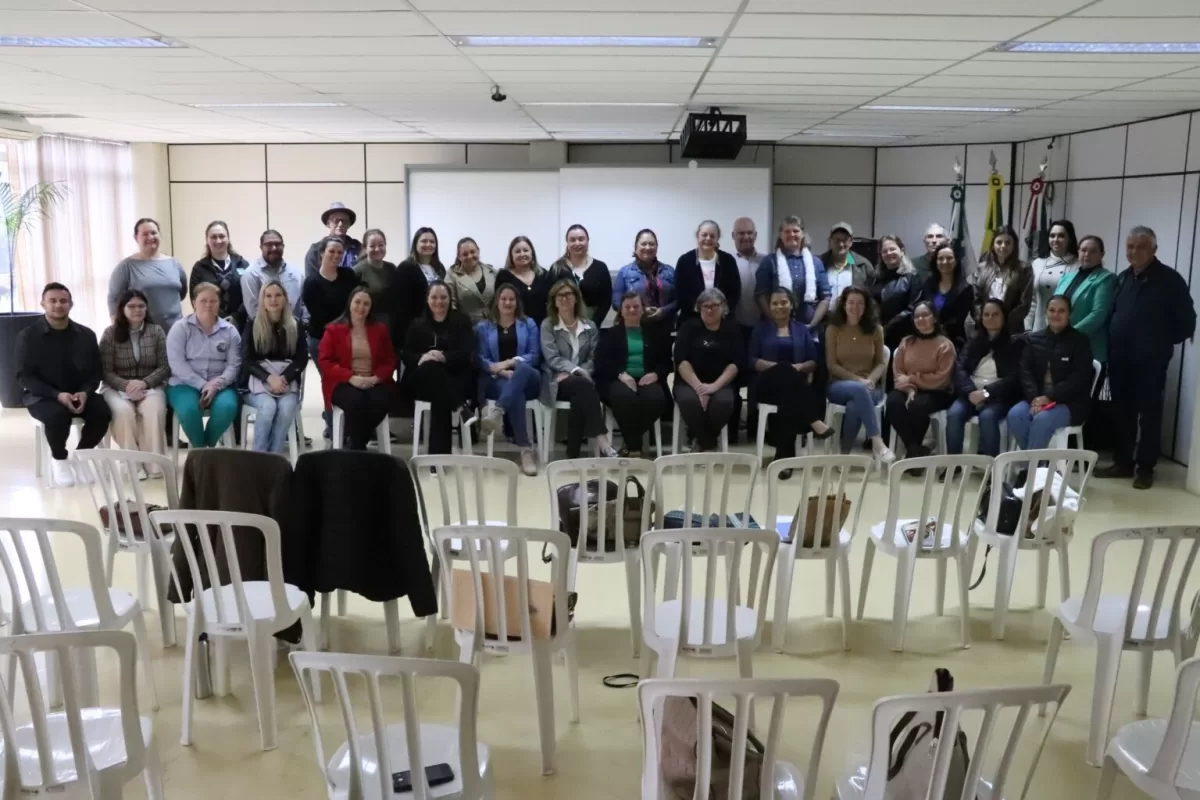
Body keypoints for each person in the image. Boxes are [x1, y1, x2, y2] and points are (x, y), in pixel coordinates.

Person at [1098, 226, 1197, 489]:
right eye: (1130, 246)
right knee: (1122, 412)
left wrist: (1159, 343)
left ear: (1154, 249)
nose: (1134, 252)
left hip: (1150, 361)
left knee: (1149, 415)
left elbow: (1187, 321)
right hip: (1120, 359)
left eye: (1141, 246)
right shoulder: (1123, 278)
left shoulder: (1170, 280)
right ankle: (1123, 463)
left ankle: (1145, 469)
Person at [16, 283, 111, 487]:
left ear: (71, 304)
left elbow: (96, 372)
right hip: (43, 396)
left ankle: (82, 455)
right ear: (43, 304)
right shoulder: (28, 336)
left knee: (103, 412)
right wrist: (57, 395)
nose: (58, 305)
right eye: (53, 301)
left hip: (79, 392)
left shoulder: (86, 334)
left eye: (63, 301)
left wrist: (85, 392)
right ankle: (59, 459)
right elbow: (24, 377)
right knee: (57, 416)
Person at [749, 288, 834, 469]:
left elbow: (813, 360)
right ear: (769, 306)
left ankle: (783, 460)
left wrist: (799, 368)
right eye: (775, 303)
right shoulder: (760, 329)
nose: (779, 306)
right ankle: (814, 420)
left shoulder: (801, 329)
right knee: (785, 370)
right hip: (766, 385)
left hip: (794, 388)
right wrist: (783, 368)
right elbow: (753, 360)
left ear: (791, 304)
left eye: (784, 302)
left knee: (788, 399)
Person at [1007, 295, 1094, 453]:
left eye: (1061, 311)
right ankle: (1038, 464)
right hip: (1036, 398)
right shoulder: (1034, 339)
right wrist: (1034, 398)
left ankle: (1030, 466)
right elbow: (1025, 371)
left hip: (1069, 403)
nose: (1056, 315)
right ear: (1046, 312)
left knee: (1042, 420)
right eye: (1052, 310)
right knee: (1015, 415)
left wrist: (1049, 397)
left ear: (1069, 314)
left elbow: (1078, 378)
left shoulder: (1080, 341)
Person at [542, 279, 615, 458]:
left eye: (569, 294)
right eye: (560, 295)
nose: (564, 298)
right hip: (558, 381)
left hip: (583, 381)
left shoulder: (590, 326)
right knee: (582, 385)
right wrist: (576, 371)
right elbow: (552, 358)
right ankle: (602, 440)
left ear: (576, 298)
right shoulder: (548, 325)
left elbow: (593, 357)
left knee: (580, 392)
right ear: (554, 301)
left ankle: (572, 453)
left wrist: (581, 372)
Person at [166, 282, 242, 449]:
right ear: (194, 303)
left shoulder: (230, 331)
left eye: (213, 301)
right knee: (188, 411)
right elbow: (177, 363)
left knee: (227, 407)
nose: (208, 305)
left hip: (220, 385)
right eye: (203, 300)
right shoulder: (180, 328)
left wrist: (217, 384)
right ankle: (201, 451)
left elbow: (234, 365)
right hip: (183, 384)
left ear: (219, 303)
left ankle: (208, 446)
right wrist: (202, 385)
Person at [475, 284, 541, 475]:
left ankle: (497, 412)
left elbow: (534, 355)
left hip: (529, 379)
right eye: (503, 298)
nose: (508, 302)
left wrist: (509, 363)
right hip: (497, 380)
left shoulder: (528, 324)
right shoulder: (483, 327)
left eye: (512, 299)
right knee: (515, 393)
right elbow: (480, 357)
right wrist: (502, 372)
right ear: (497, 301)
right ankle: (525, 450)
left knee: (523, 368)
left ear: (517, 302)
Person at [319, 286, 396, 451]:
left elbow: (390, 360)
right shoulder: (333, 330)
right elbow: (325, 362)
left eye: (366, 304)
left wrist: (375, 378)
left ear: (371, 308)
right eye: (357, 302)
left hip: (374, 381)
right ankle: (358, 447)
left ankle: (354, 445)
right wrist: (351, 378)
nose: (361, 307)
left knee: (381, 401)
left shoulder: (380, 330)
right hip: (344, 382)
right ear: (350, 303)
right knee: (356, 401)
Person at [100, 289, 169, 468]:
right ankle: (132, 465)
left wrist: (144, 383)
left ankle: (154, 464)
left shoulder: (156, 331)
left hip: (150, 385)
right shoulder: (110, 333)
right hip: (115, 387)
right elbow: (105, 371)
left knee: (155, 410)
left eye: (141, 306)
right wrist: (127, 386)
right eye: (131, 306)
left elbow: (164, 366)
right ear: (122, 309)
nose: (137, 310)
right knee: (123, 411)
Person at [404, 281, 475, 455]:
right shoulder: (417, 324)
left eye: (443, 297)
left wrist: (444, 357)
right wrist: (423, 357)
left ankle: (436, 460)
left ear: (450, 299)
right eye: (434, 297)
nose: (439, 301)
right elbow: (406, 355)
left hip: (453, 378)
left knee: (440, 394)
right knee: (431, 367)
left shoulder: (462, 321)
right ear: (427, 299)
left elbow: (466, 352)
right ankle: (460, 407)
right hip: (421, 380)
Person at [595, 291, 669, 457]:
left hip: (648, 379)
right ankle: (635, 446)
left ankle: (630, 444)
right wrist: (621, 374)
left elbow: (666, 363)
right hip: (617, 380)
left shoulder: (656, 333)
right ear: (621, 311)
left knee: (656, 399)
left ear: (643, 309)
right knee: (624, 397)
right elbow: (602, 363)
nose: (632, 310)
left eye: (636, 306)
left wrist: (655, 374)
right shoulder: (610, 334)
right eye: (627, 307)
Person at [945, 299, 1021, 456]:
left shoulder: (1015, 343)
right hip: (971, 392)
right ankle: (952, 463)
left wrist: (987, 392)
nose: (990, 318)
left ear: (1004, 317)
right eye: (986, 314)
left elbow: (1014, 377)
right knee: (954, 414)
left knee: (987, 417)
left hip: (998, 396)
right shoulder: (974, 341)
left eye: (995, 314)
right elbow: (959, 368)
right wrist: (970, 391)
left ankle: (990, 465)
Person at [302, 236, 359, 441]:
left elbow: (355, 304)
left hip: (348, 339)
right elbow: (319, 317)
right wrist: (343, 322)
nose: (336, 255)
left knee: (347, 381)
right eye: (331, 251)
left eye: (339, 252)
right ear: (321, 253)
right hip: (321, 341)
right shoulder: (312, 283)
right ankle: (332, 425)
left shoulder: (349, 276)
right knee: (330, 381)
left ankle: (349, 423)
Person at [825, 287, 892, 461]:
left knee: (855, 403)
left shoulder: (876, 330)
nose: (855, 307)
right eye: (851, 302)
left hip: (870, 386)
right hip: (839, 385)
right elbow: (832, 365)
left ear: (866, 306)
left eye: (860, 303)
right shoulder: (833, 329)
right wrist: (858, 380)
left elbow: (880, 362)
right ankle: (877, 441)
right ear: (844, 305)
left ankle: (844, 455)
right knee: (859, 390)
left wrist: (869, 380)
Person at [241, 281, 307, 454]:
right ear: (262, 300)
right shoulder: (252, 324)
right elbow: (247, 360)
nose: (273, 300)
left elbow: (301, 359)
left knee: (286, 408)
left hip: (287, 383)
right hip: (257, 385)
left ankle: (275, 456)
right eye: (268, 296)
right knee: (268, 406)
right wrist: (269, 378)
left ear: (285, 298)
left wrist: (283, 379)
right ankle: (260, 455)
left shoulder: (296, 325)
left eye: (278, 295)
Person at [674, 288, 741, 453]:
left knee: (723, 403)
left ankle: (701, 442)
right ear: (699, 308)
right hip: (689, 382)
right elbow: (681, 361)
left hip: (721, 383)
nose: (709, 310)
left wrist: (714, 387)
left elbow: (735, 364)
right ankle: (708, 444)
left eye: (714, 306)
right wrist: (699, 388)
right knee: (690, 402)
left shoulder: (732, 329)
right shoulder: (688, 327)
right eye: (705, 306)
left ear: (723, 307)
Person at [886, 301, 955, 459]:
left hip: (937, 390)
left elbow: (941, 377)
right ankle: (915, 450)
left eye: (925, 315)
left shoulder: (945, 345)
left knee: (917, 405)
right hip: (907, 388)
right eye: (917, 316)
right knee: (893, 402)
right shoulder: (906, 342)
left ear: (934, 318)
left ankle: (912, 455)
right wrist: (910, 388)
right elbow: (898, 372)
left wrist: (912, 380)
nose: (920, 319)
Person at [108, 217, 188, 333]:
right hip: (144, 334)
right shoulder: (126, 267)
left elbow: (181, 293)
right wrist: (118, 331)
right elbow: (114, 300)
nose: (150, 237)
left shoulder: (174, 264)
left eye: (154, 233)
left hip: (176, 331)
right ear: (136, 238)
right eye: (145, 234)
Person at [754, 215, 831, 327]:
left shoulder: (816, 263)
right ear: (781, 235)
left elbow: (825, 297)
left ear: (803, 234)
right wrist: (776, 323)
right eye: (787, 231)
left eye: (796, 231)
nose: (791, 234)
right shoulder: (769, 262)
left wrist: (812, 324)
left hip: (808, 329)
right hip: (775, 328)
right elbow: (761, 295)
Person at [894, 243, 973, 348]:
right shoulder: (929, 283)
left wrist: (934, 331)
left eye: (949, 258)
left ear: (956, 261)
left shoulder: (966, 289)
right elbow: (920, 308)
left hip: (951, 341)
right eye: (940, 258)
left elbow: (958, 320)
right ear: (935, 262)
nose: (945, 262)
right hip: (924, 335)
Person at [1054, 234, 1116, 365]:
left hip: (1087, 347)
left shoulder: (1106, 278)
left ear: (1102, 254)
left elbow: (1098, 314)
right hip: (1060, 343)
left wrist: (1069, 335)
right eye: (1083, 250)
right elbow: (1052, 306)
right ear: (1078, 252)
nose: (1087, 254)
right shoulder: (1067, 277)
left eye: (1093, 251)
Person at [612, 228, 677, 336]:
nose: (648, 247)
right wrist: (640, 310)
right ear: (636, 247)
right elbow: (616, 302)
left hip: (665, 329)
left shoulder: (669, 271)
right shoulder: (625, 272)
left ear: (657, 247)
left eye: (651, 244)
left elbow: (678, 300)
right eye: (643, 244)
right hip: (634, 329)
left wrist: (663, 311)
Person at [675, 220, 741, 326]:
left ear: (717, 238)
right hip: (692, 321)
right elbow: (680, 293)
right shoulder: (685, 261)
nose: (708, 238)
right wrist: (703, 313)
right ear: (697, 236)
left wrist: (719, 313)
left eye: (712, 236)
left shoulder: (728, 261)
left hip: (722, 321)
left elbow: (735, 292)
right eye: (704, 235)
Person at [548, 224, 611, 327]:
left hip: (592, 324)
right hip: (562, 326)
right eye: (572, 240)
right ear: (567, 243)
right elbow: (550, 299)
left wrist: (593, 325)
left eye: (581, 239)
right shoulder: (557, 269)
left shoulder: (600, 268)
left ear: (587, 241)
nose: (577, 243)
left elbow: (606, 301)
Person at [189, 220, 249, 329]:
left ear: (228, 238)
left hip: (240, 324)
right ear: (207, 240)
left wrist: (236, 317)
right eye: (213, 237)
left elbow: (249, 294)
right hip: (210, 325)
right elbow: (195, 297)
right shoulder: (199, 268)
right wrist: (219, 317)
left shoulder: (242, 264)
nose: (218, 241)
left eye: (222, 236)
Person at [394, 227, 447, 350]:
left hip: (438, 325)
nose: (428, 244)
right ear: (415, 244)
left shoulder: (439, 268)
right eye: (424, 241)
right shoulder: (405, 268)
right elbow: (401, 305)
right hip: (414, 327)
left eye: (432, 241)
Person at [972, 225, 1031, 333]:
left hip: (1012, 330)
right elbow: (976, 300)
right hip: (985, 328)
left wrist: (1002, 322)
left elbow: (1024, 304)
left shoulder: (1024, 269)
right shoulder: (981, 268)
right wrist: (984, 321)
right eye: (999, 242)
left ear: (1014, 245)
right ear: (993, 245)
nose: (1003, 246)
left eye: (1008, 243)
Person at [242, 229, 306, 323]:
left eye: (277, 244)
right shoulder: (251, 274)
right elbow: (253, 311)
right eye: (268, 244)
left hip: (295, 328)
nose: (274, 248)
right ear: (261, 247)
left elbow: (304, 303)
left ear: (283, 246)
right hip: (264, 329)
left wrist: (304, 323)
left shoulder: (296, 273)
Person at [1027, 220, 1078, 332]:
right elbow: (1032, 300)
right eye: (1052, 236)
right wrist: (1027, 326)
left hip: (1068, 327)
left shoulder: (1078, 265)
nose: (1056, 240)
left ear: (1070, 239)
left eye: (1061, 236)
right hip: (1040, 326)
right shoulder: (1037, 263)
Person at [496, 235, 553, 328]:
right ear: (511, 255)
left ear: (532, 253)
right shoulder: (503, 276)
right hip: (515, 329)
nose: (522, 254)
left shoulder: (543, 275)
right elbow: (498, 305)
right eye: (517, 251)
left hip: (542, 327)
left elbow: (551, 303)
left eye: (526, 250)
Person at [446, 236, 497, 325]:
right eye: (465, 254)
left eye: (472, 252)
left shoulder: (492, 272)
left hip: (493, 326)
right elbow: (450, 304)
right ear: (459, 257)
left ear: (478, 251)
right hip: (467, 327)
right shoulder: (452, 275)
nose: (470, 256)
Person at [304, 202, 361, 281]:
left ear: (349, 224)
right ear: (328, 223)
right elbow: (311, 280)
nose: (340, 224)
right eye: (336, 221)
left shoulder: (358, 248)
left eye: (344, 221)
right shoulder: (315, 250)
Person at [820, 222, 870, 301]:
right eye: (837, 240)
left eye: (845, 240)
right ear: (830, 241)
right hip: (825, 309)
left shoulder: (863, 265)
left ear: (851, 242)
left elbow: (870, 297)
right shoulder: (819, 263)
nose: (841, 244)